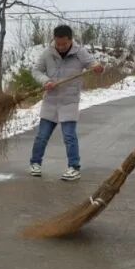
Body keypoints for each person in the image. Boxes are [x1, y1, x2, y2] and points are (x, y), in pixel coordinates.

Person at [29, 24, 104, 181]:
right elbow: (36, 71)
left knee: (69, 136)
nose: (61, 47)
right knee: (42, 136)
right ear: (54, 40)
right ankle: (35, 163)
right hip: (50, 100)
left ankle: (74, 167)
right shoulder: (48, 53)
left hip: (69, 101)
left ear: (71, 40)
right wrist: (46, 81)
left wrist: (97, 68)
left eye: (64, 44)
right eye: (58, 44)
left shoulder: (79, 52)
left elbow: (93, 64)